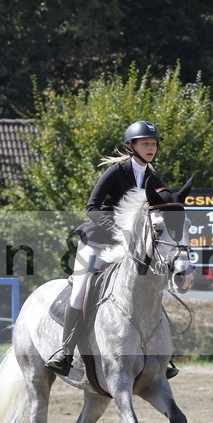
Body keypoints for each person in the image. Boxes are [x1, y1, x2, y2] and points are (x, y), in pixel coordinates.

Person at [45, 120, 179, 379]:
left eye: (153, 144)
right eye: (146, 143)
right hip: (96, 240)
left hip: (128, 246)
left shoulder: (152, 177)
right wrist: (118, 230)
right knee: (81, 290)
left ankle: (160, 355)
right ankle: (65, 352)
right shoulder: (116, 172)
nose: (151, 148)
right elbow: (92, 207)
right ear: (132, 146)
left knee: (147, 289)